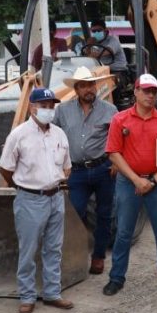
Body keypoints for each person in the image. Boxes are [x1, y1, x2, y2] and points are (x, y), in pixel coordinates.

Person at [104, 73, 157, 297]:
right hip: (128, 182)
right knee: (123, 233)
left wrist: (152, 180)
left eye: (154, 92)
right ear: (136, 92)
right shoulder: (120, 120)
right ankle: (116, 278)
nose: (151, 95)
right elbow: (113, 153)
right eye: (146, 91)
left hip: (156, 183)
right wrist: (136, 180)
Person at [0, 87, 74, 313]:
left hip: (56, 198)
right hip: (30, 198)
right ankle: (27, 296)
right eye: (44, 106)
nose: (48, 110)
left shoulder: (59, 134)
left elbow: (67, 165)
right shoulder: (18, 135)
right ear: (32, 107)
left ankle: (52, 293)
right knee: (28, 250)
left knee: (54, 248)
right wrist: (23, 187)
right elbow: (5, 168)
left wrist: (60, 180)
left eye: (51, 106)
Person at [53, 66, 118, 275]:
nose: (88, 89)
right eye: (83, 86)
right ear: (76, 89)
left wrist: (117, 163)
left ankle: (98, 256)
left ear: (96, 86)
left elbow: (120, 139)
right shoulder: (62, 111)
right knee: (74, 212)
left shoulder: (110, 111)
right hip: (77, 172)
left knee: (104, 214)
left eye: (91, 84)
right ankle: (76, 252)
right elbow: (51, 135)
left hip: (103, 169)